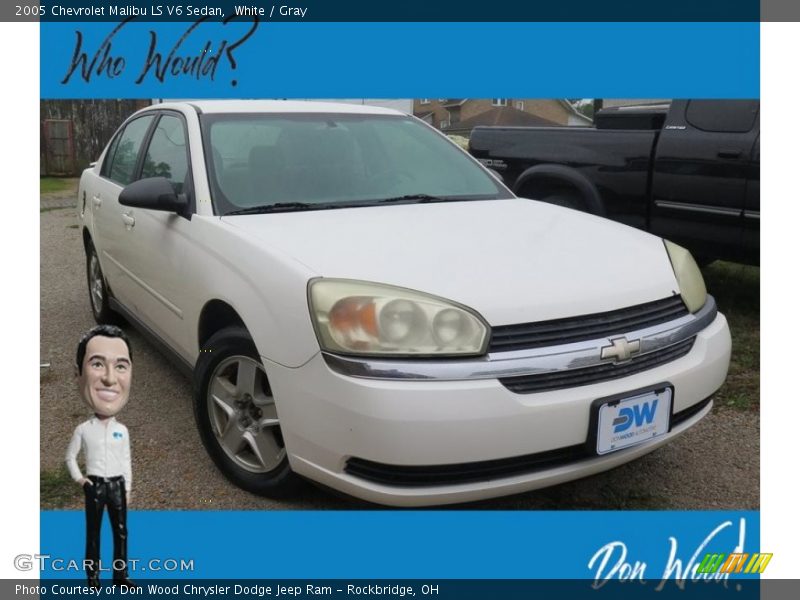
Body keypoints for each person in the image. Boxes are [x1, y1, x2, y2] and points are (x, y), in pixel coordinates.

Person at [65, 325, 137, 590]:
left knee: (120, 532)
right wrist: (81, 479)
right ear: (79, 374)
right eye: (97, 364)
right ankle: (92, 577)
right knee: (93, 534)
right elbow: (71, 457)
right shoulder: (83, 430)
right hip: (95, 485)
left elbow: (126, 460)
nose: (109, 378)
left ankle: (120, 575)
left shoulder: (122, 431)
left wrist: (127, 487)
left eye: (120, 366)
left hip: (117, 485)